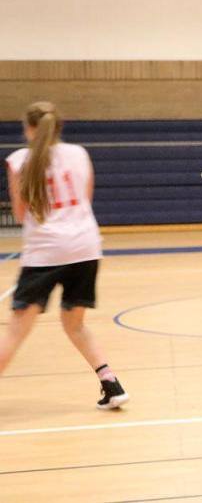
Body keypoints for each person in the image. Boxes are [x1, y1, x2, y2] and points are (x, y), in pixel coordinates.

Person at [1, 102, 129, 409]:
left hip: (45, 253)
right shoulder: (79, 153)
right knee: (75, 324)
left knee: (17, 330)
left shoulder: (19, 160)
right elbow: (84, 200)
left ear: (28, 128)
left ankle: (111, 385)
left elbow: (20, 214)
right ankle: (111, 384)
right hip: (85, 247)